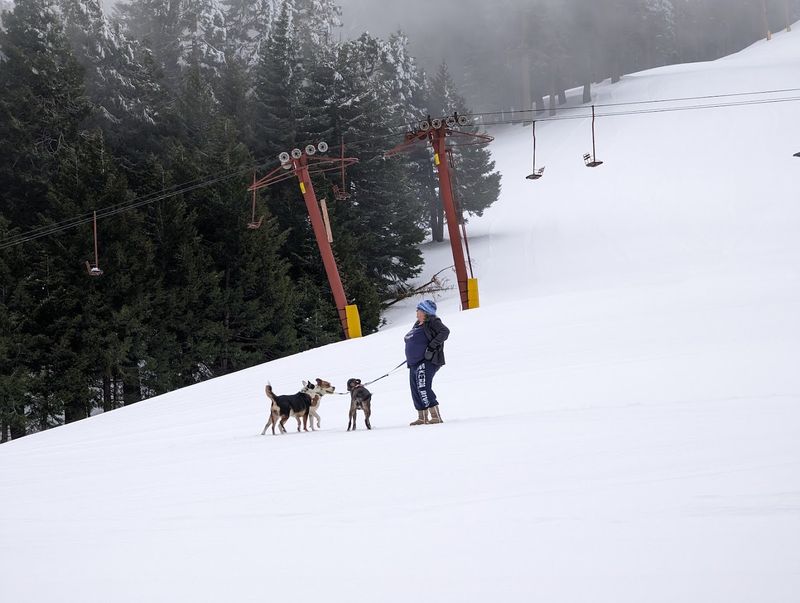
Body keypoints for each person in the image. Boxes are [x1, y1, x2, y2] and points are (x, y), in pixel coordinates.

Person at [404, 299, 450, 425]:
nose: (417, 312)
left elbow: (445, 332)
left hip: (427, 360)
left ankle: (435, 416)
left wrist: (431, 347)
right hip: (414, 362)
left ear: (425, 311)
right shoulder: (417, 323)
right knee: (415, 389)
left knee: (423, 387)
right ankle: (422, 417)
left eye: (419, 309)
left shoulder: (433, 321)